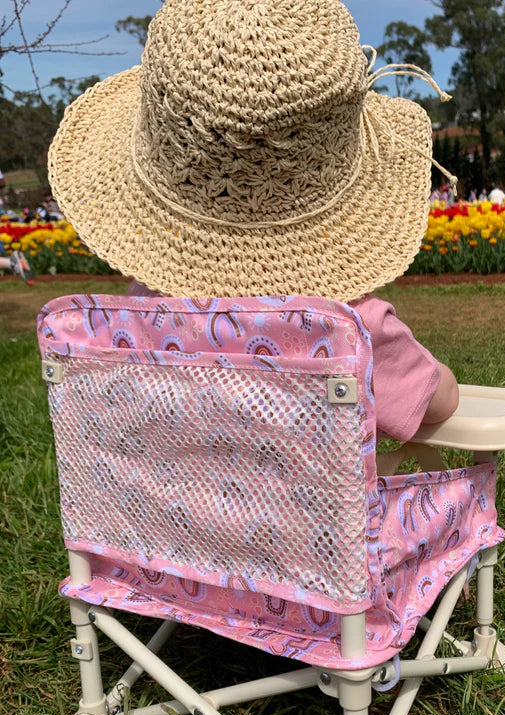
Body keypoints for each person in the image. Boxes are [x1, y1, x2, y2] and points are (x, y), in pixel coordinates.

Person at [47, 0, 459, 441]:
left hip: (153, 510)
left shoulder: (136, 317)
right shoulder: (349, 328)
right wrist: (442, 379)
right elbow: (438, 402)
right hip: (309, 512)